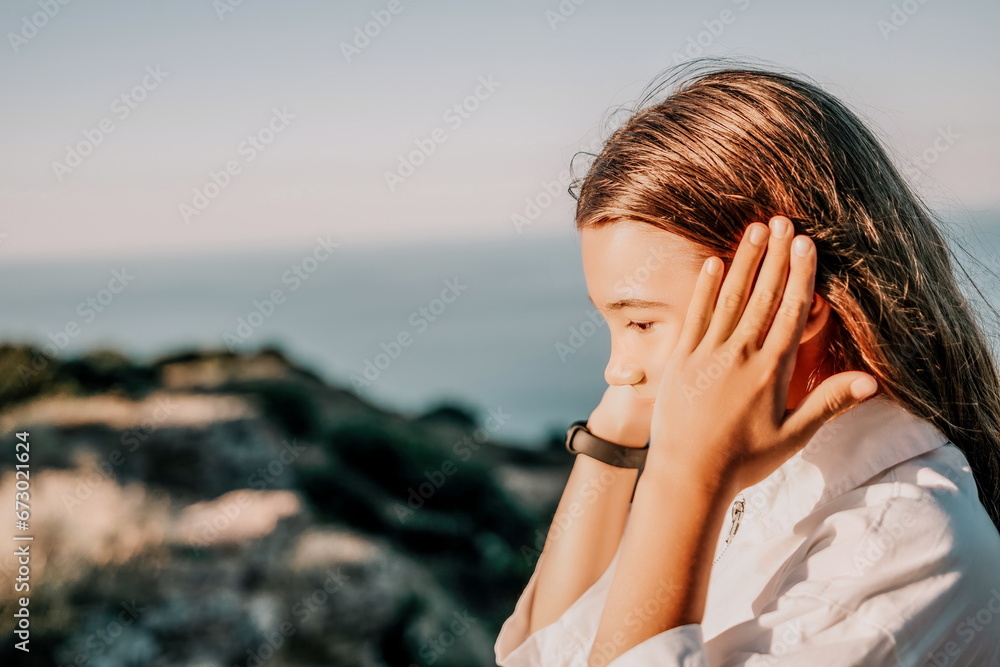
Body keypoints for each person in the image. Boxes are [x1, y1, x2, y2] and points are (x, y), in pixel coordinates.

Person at [494, 59, 1000, 666]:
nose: (616, 366)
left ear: (795, 306)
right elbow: (537, 654)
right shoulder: (748, 472)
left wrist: (687, 479)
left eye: (641, 322)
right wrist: (618, 431)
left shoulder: (905, 545)